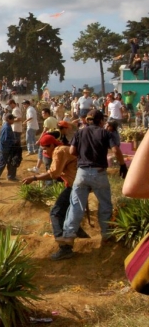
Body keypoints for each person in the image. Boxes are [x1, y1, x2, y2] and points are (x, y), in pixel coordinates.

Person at [54, 110, 127, 259]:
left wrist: (83, 155)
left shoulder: (80, 133)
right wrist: (122, 165)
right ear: (100, 121)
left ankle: (68, 239)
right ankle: (106, 235)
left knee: (75, 206)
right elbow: (115, 150)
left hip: (81, 173)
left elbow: (73, 151)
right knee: (105, 204)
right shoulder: (105, 133)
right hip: (99, 172)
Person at [22, 134, 88, 260]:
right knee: (66, 213)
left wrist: (34, 178)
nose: (45, 152)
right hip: (78, 184)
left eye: (45, 149)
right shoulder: (63, 149)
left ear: (52, 145)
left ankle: (64, 247)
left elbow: (54, 173)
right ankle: (84, 239)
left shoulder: (59, 151)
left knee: (55, 212)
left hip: (75, 185)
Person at [0, 114, 18, 183]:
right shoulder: (7, 128)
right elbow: (5, 140)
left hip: (7, 148)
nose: (14, 120)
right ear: (9, 119)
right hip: (4, 149)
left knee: (11, 162)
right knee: (2, 163)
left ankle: (11, 176)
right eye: (13, 119)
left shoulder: (7, 126)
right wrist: (13, 141)